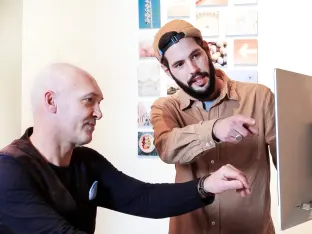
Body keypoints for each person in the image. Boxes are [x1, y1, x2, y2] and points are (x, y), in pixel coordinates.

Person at [0, 63, 251, 234]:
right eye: (89, 101)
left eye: (99, 103)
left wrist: (207, 185)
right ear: (51, 101)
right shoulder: (8, 170)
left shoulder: (87, 162)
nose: (98, 113)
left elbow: (143, 198)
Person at [150, 19, 276, 234]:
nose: (193, 69)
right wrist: (214, 129)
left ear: (206, 49)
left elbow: (291, 164)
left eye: (195, 55)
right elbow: (167, 147)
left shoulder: (259, 97)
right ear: (167, 70)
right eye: (179, 64)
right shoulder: (166, 108)